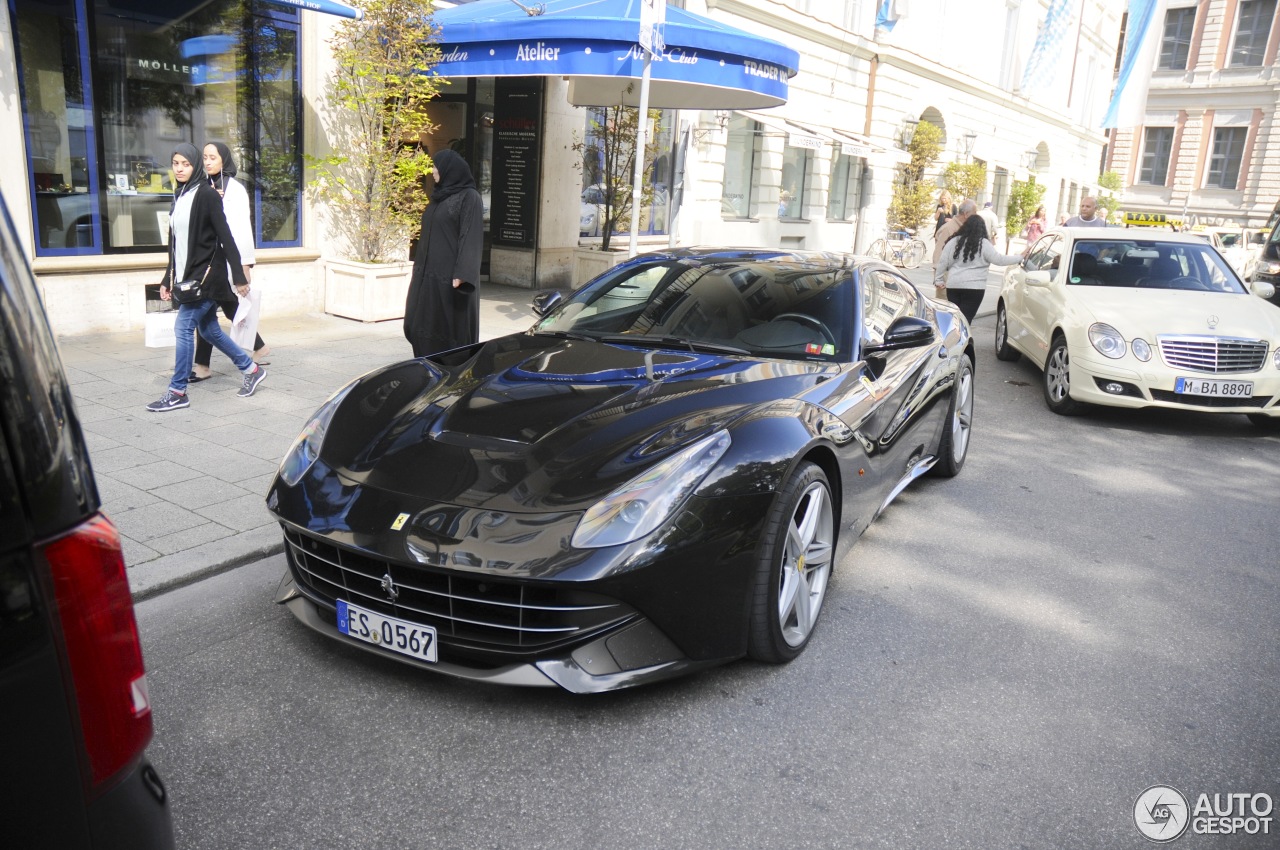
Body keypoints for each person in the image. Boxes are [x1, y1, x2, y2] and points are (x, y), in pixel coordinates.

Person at [147, 143, 266, 412]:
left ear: (195, 167)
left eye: (185, 164)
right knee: (209, 329)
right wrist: (167, 277)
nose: (179, 168)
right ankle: (251, 369)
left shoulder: (208, 195)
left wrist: (239, 275)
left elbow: (227, 237)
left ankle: (177, 391)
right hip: (188, 276)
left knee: (183, 328)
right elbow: (174, 243)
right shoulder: (179, 196)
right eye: (175, 163)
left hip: (206, 277)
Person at [190, 141, 268, 382]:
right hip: (208, 261)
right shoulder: (203, 186)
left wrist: (244, 265)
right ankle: (259, 347)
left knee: (210, 310)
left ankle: (202, 365)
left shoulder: (234, 189)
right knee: (223, 308)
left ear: (224, 159)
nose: (207, 161)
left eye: (213, 157)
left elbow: (241, 229)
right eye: (204, 157)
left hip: (226, 261)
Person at [403, 149, 485, 357]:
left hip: (451, 280)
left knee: (450, 332)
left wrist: (463, 274)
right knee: (420, 325)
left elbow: (471, 237)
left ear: (450, 169)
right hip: (427, 277)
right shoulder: (438, 198)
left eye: (436, 166)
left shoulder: (470, 197)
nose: (432, 171)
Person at [933, 213, 1024, 323]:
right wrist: (1020, 257)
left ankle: (952, 338)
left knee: (954, 318)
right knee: (966, 320)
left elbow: (943, 262)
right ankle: (964, 339)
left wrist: (938, 280)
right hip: (975, 288)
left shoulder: (954, 242)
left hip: (954, 286)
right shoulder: (984, 244)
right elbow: (999, 260)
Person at [933, 199, 976, 265]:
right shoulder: (948, 229)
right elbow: (938, 257)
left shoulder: (965, 228)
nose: (975, 217)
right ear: (966, 214)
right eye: (974, 214)